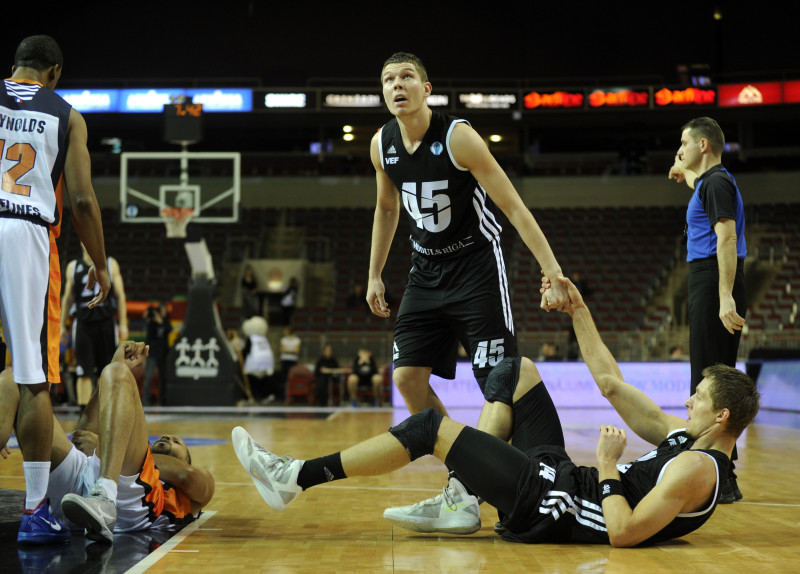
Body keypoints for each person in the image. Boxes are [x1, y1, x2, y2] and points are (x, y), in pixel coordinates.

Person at [232, 277, 760, 546]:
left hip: (552, 506)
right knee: (516, 370)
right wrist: (578, 310)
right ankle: (463, 497)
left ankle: (296, 477)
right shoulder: (683, 439)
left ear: (720, 419)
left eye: (699, 398)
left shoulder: (697, 468)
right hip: (564, 478)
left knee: (428, 429)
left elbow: (622, 534)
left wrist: (604, 465)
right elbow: (611, 384)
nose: (687, 401)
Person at [366, 52, 567, 417]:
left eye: (406, 76)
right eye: (388, 79)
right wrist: (374, 275)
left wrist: (552, 272)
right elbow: (387, 208)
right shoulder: (381, 144)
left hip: (476, 266)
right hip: (425, 270)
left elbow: (514, 207)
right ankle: (461, 462)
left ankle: (513, 467)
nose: (397, 84)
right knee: (407, 377)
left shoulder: (459, 137)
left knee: (498, 380)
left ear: (426, 89)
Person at [0, 35, 110, 545]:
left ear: (16, 66)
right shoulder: (66, 115)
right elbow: (83, 200)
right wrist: (100, 264)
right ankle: (36, 511)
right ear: (55, 73)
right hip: (24, 233)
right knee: (31, 379)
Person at [0, 341, 215, 544]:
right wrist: (113, 367)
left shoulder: (190, 493)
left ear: (187, 459)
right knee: (19, 379)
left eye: (177, 442)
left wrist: (104, 443)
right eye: (164, 438)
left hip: (129, 503)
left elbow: (185, 475)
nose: (168, 437)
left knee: (118, 373)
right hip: (78, 487)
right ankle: (38, 510)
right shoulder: (119, 449)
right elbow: (81, 434)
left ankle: (105, 497)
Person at [668, 116, 747, 502]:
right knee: (716, 381)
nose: (678, 151)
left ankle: (716, 476)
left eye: (683, 143)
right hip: (709, 277)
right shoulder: (712, 182)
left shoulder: (715, 182)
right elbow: (690, 172)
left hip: (713, 277)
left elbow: (727, 237)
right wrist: (681, 169)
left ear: (704, 145)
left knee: (709, 385)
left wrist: (726, 295)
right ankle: (722, 476)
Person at [61, 244, 128, 407]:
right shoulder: (73, 266)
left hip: (106, 320)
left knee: (106, 370)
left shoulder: (110, 263)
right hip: (83, 322)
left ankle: (104, 409)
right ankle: (83, 413)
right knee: (83, 369)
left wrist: (123, 323)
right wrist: (62, 324)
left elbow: (120, 295)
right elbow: (68, 297)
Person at [241, 315, 277, 404]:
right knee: (263, 380)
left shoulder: (251, 338)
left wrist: (241, 357)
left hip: (254, 363)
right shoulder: (263, 338)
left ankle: (251, 397)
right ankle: (266, 395)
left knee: (251, 381)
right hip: (266, 363)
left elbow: (246, 351)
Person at [142, 302, 171, 406]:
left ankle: (164, 400)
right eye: (162, 310)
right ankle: (145, 401)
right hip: (152, 353)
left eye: (165, 310)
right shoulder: (152, 322)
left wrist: (161, 321)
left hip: (163, 354)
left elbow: (169, 329)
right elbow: (145, 320)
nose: (164, 312)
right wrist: (151, 317)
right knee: (148, 377)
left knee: (163, 378)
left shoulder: (166, 322)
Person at [278, 326, 301, 402]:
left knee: (292, 378)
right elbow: (283, 350)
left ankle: (292, 396)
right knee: (284, 378)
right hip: (285, 361)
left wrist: (287, 351)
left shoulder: (297, 340)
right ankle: (285, 396)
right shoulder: (283, 340)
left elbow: (296, 351)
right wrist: (292, 351)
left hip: (293, 361)